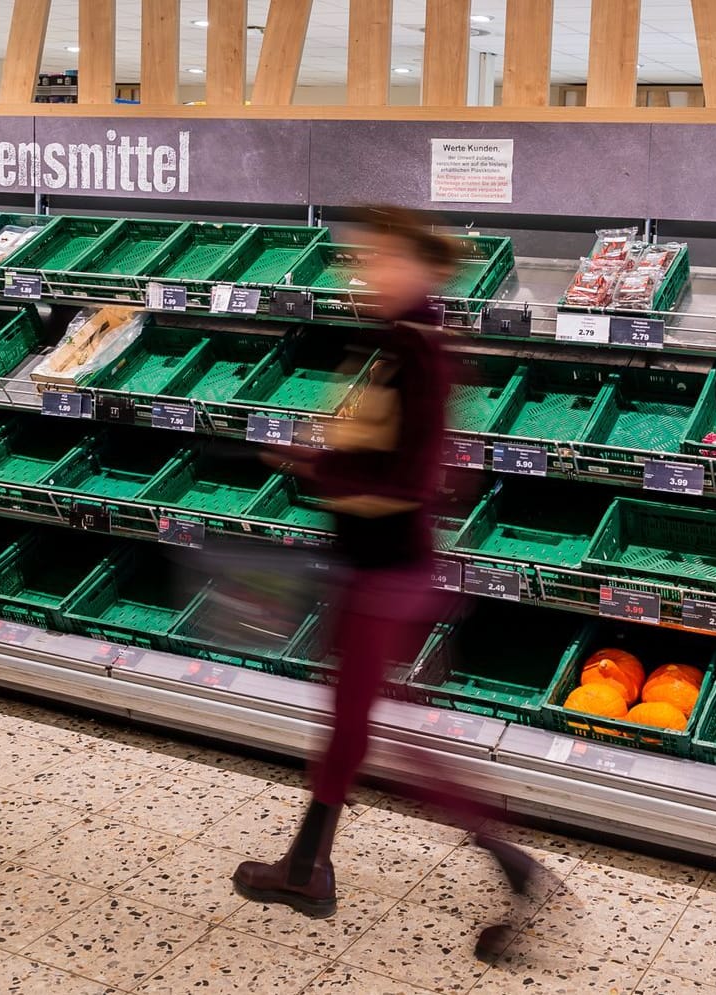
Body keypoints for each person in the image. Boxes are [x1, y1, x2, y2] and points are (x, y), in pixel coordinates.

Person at [230, 206, 545, 959]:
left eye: (373, 260)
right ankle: (306, 865)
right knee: (352, 728)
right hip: (374, 564)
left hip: (387, 569)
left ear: (416, 267)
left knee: (390, 741)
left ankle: (516, 866)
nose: (359, 273)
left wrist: (315, 464)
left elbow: (413, 475)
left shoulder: (418, 356)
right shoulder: (399, 344)